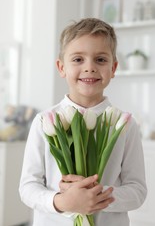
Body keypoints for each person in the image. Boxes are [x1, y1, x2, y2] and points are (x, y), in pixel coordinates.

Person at [19, 18, 147, 226]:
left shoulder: (125, 124)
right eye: (78, 59)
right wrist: (62, 201)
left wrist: (96, 196)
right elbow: (28, 187)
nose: (90, 67)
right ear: (62, 68)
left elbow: (138, 190)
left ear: (113, 68)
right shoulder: (43, 121)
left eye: (101, 60)